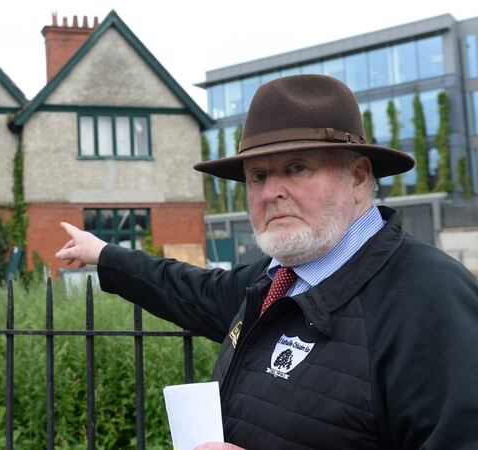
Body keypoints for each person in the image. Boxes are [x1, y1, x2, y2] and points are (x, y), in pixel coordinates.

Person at [55, 74, 478, 450]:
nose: (269, 192)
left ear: (359, 176)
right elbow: (185, 287)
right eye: (258, 176)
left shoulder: (428, 297)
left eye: (296, 168)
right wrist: (103, 254)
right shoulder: (273, 283)